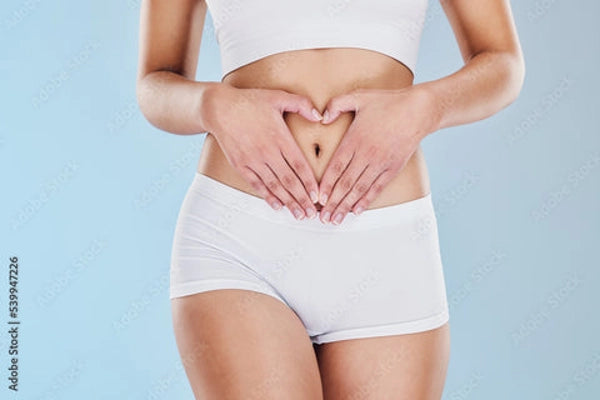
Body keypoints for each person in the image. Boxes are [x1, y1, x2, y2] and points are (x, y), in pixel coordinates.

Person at [136, 0, 525, 398]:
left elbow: (503, 63)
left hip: (387, 247)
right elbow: (155, 82)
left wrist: (425, 107)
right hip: (241, 239)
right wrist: (211, 105)